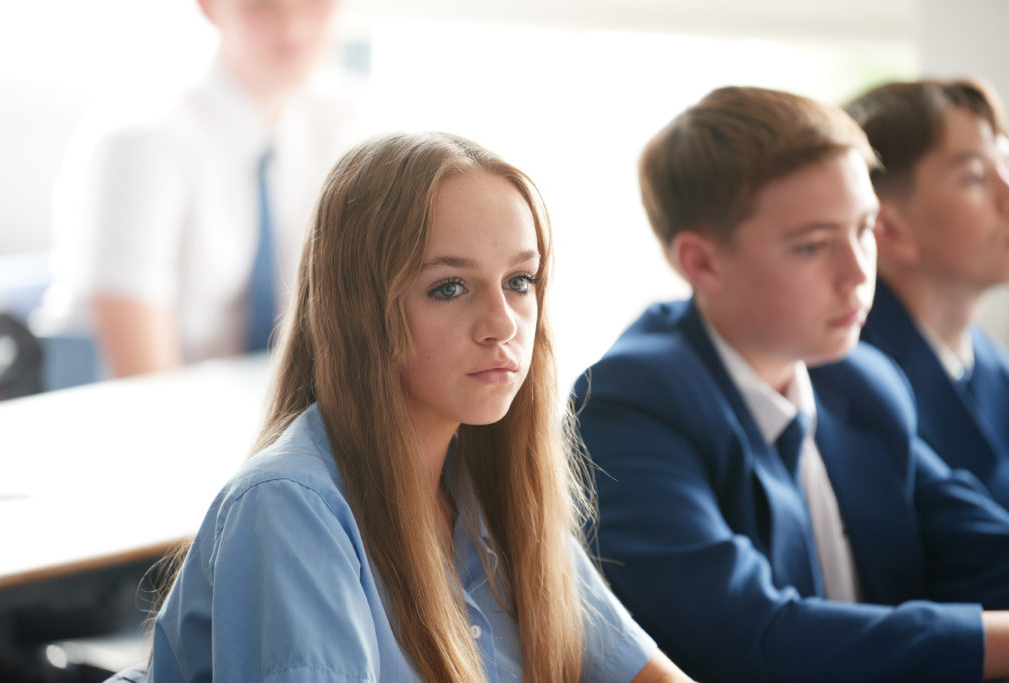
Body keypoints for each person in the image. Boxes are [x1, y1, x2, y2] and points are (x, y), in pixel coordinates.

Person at [141, 132, 691, 682]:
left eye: (520, 281)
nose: (503, 324)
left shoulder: (493, 490)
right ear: (361, 312)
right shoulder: (291, 506)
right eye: (450, 287)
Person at [573, 86, 1009, 682]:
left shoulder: (862, 382)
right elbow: (751, 638)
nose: (858, 273)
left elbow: (982, 550)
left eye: (865, 229)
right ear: (701, 262)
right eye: (812, 245)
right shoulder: (628, 403)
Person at [36, 0, 361, 379]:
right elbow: (145, 378)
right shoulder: (141, 138)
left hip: (257, 395)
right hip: (124, 396)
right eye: (261, 6)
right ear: (209, 7)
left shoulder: (342, 118)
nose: (294, 28)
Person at [845, 79, 1009, 509]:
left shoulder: (992, 363)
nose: (1008, 194)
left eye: (1007, 165)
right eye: (974, 176)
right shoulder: (849, 383)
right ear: (886, 228)